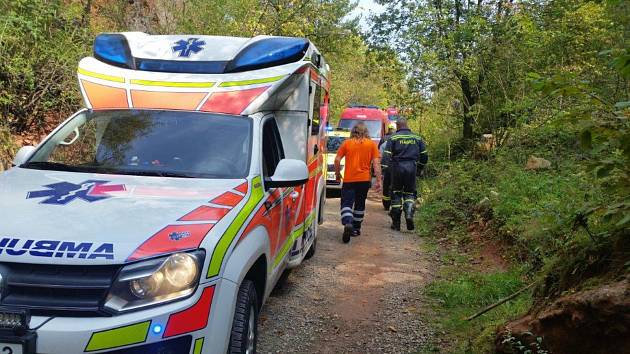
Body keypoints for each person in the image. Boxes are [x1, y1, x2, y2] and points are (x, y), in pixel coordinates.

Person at [335, 122, 382, 243]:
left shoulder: (346, 143)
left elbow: (337, 159)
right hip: (364, 180)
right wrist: (378, 180)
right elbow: (376, 164)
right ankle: (355, 229)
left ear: (353, 131)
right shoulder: (371, 144)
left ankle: (348, 222)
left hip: (349, 179)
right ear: (366, 132)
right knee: (360, 204)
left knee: (346, 203)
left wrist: (337, 174)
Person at [384, 118, 428, 231]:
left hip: (397, 168)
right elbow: (424, 155)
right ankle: (409, 214)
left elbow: (386, 156)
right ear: (407, 125)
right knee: (409, 193)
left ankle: (396, 223)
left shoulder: (393, 138)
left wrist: (385, 170)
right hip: (411, 168)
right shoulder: (417, 138)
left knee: (396, 193)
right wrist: (420, 167)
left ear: (398, 126)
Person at [379, 122, 396, 210]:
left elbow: (380, 152)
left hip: (387, 165)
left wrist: (382, 167)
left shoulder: (383, 139)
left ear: (388, 129)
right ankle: (395, 203)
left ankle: (386, 204)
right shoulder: (397, 138)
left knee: (386, 184)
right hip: (396, 166)